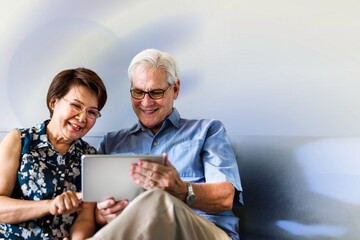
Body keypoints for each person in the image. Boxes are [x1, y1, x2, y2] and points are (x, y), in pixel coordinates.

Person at [92, 49, 243, 240]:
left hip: (205, 233)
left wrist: (181, 190)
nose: (145, 102)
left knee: (158, 198)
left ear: (176, 89)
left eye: (156, 92)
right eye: (138, 92)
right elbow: (92, 210)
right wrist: (101, 215)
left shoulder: (208, 131)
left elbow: (225, 197)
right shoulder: (110, 143)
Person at [0, 67, 107, 239]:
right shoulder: (19, 141)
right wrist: (49, 206)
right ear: (53, 102)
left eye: (91, 112)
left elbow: (85, 219)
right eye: (76, 105)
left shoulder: (91, 157)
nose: (82, 118)